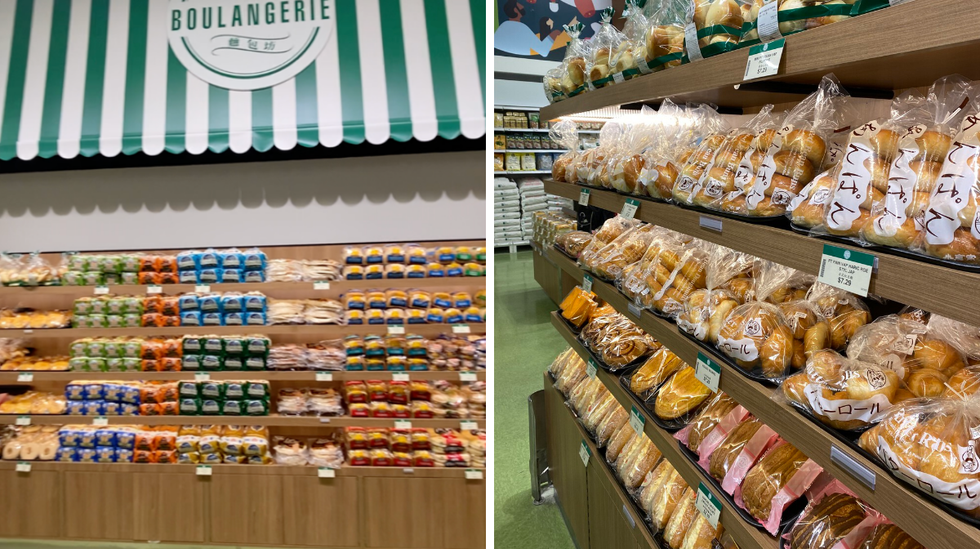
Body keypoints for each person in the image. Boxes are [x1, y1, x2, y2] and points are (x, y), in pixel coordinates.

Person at [494, 0, 573, 58]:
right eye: (519, 5)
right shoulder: (521, 28)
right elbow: (543, 50)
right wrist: (554, 34)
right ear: (515, 10)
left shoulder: (504, 26)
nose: (523, 6)